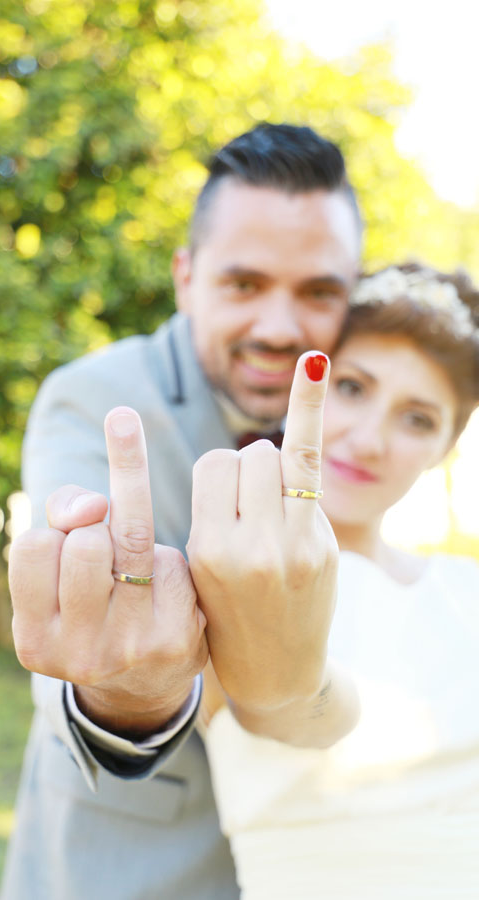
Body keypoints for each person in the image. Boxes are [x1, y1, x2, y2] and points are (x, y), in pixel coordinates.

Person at [0, 123, 362, 900]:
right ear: (185, 278)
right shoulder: (93, 399)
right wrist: (133, 692)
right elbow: (76, 661)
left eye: (319, 291)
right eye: (243, 284)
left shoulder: (363, 411)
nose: (278, 326)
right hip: (133, 867)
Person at [202, 263, 479, 899]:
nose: (370, 439)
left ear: (445, 444)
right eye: (351, 388)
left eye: (417, 419)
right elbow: (285, 705)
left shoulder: (463, 590)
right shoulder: (234, 573)